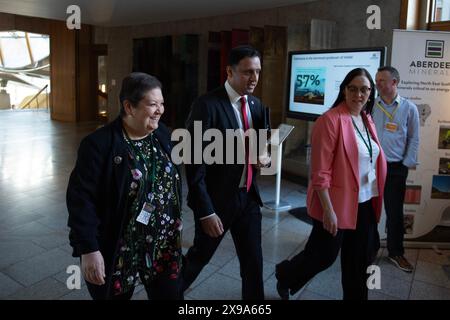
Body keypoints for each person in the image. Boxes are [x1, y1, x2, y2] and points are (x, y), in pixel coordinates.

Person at [67, 72, 183, 300]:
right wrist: (88, 249)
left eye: (161, 103)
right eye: (152, 104)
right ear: (129, 107)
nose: (160, 110)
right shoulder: (99, 145)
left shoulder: (163, 134)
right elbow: (81, 200)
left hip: (162, 245)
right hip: (120, 246)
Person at [275, 68, 387, 300]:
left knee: (360, 259)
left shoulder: (367, 119)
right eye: (353, 89)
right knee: (322, 256)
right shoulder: (330, 120)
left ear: (371, 92)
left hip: (365, 202)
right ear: (344, 90)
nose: (359, 94)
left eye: (365, 89)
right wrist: (328, 210)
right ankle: (285, 274)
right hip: (336, 203)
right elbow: (320, 172)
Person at [182, 45, 269, 300]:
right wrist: (206, 210)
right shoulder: (206, 105)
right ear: (229, 71)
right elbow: (194, 164)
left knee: (254, 263)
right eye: (247, 72)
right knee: (199, 258)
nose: (254, 78)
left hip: (249, 198)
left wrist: (263, 159)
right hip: (217, 202)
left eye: (258, 72)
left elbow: (259, 149)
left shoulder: (256, 105)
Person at [372, 66, 419, 272]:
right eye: (376, 80)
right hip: (371, 167)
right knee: (367, 211)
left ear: (395, 82)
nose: (378, 84)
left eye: (382, 80)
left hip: (395, 169)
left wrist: (405, 164)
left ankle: (396, 252)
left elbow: (413, 139)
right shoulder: (371, 106)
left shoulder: (409, 108)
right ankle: (367, 248)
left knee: (394, 213)